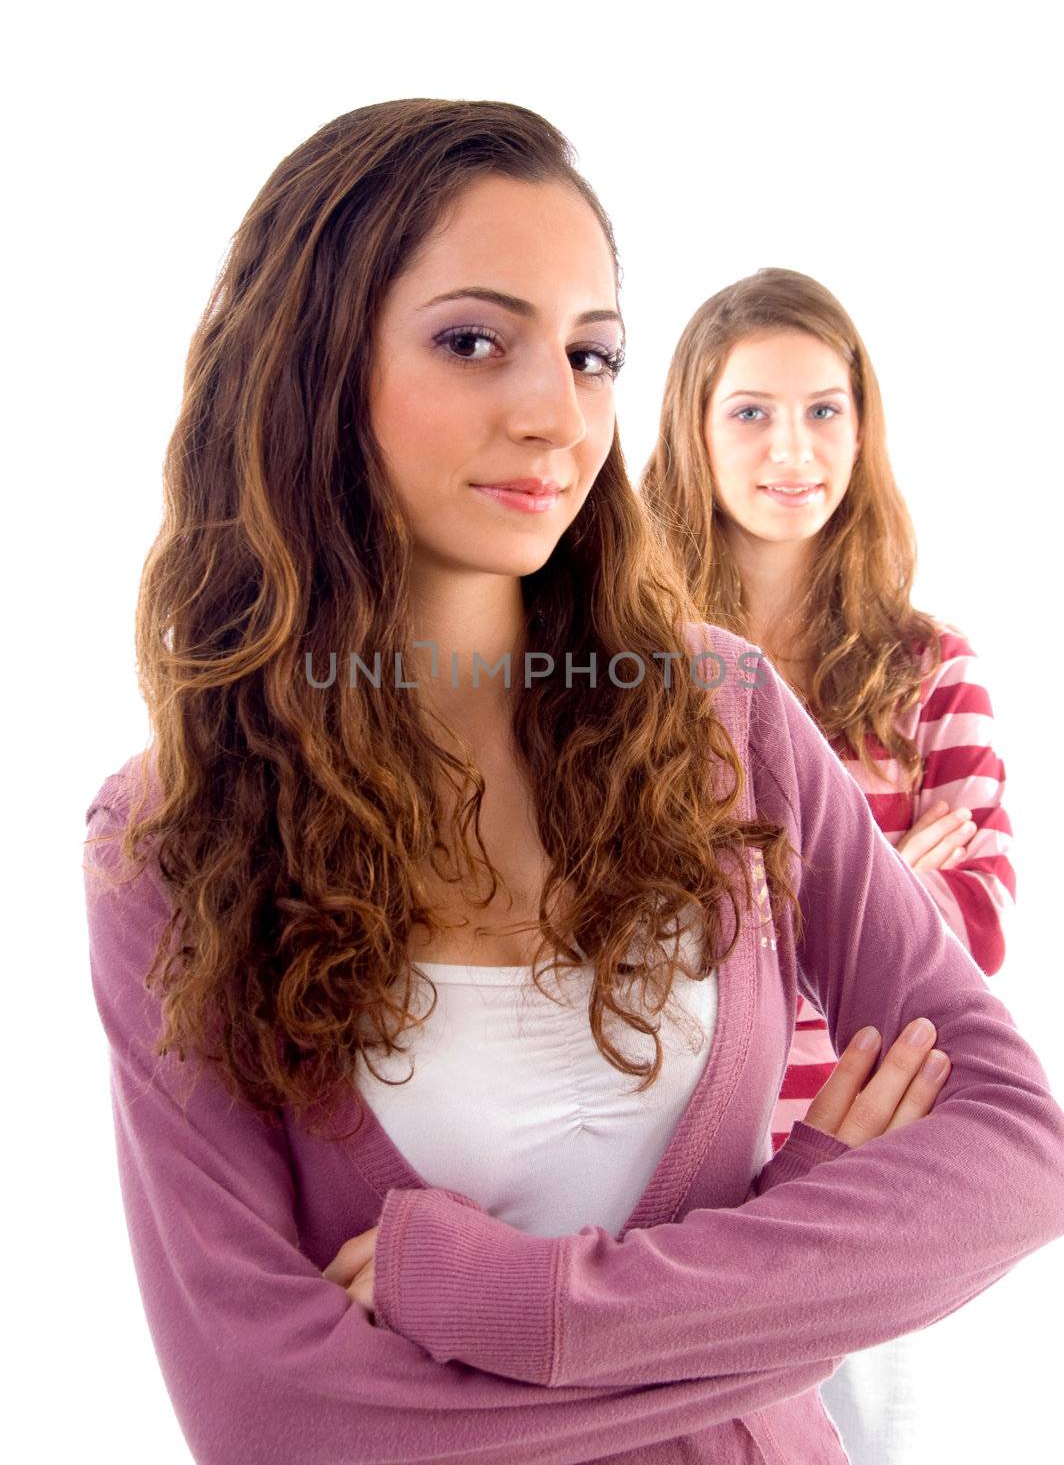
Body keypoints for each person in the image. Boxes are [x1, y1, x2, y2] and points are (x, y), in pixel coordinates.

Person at [84, 101, 1063, 1465]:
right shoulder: (170, 841)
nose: (556, 414)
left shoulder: (728, 723)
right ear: (307, 364)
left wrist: (518, 1305)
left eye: (593, 355)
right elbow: (272, 1417)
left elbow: (1019, 1154)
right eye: (473, 341)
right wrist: (801, 1272)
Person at [640, 265, 1015, 1462]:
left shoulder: (927, 668)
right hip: (670, 1156)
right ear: (694, 434)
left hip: (883, 1149)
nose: (789, 447)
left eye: (822, 409)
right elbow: (624, 918)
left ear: (860, 429)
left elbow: (977, 925)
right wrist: (877, 876)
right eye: (749, 411)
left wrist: (753, 886)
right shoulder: (627, 668)